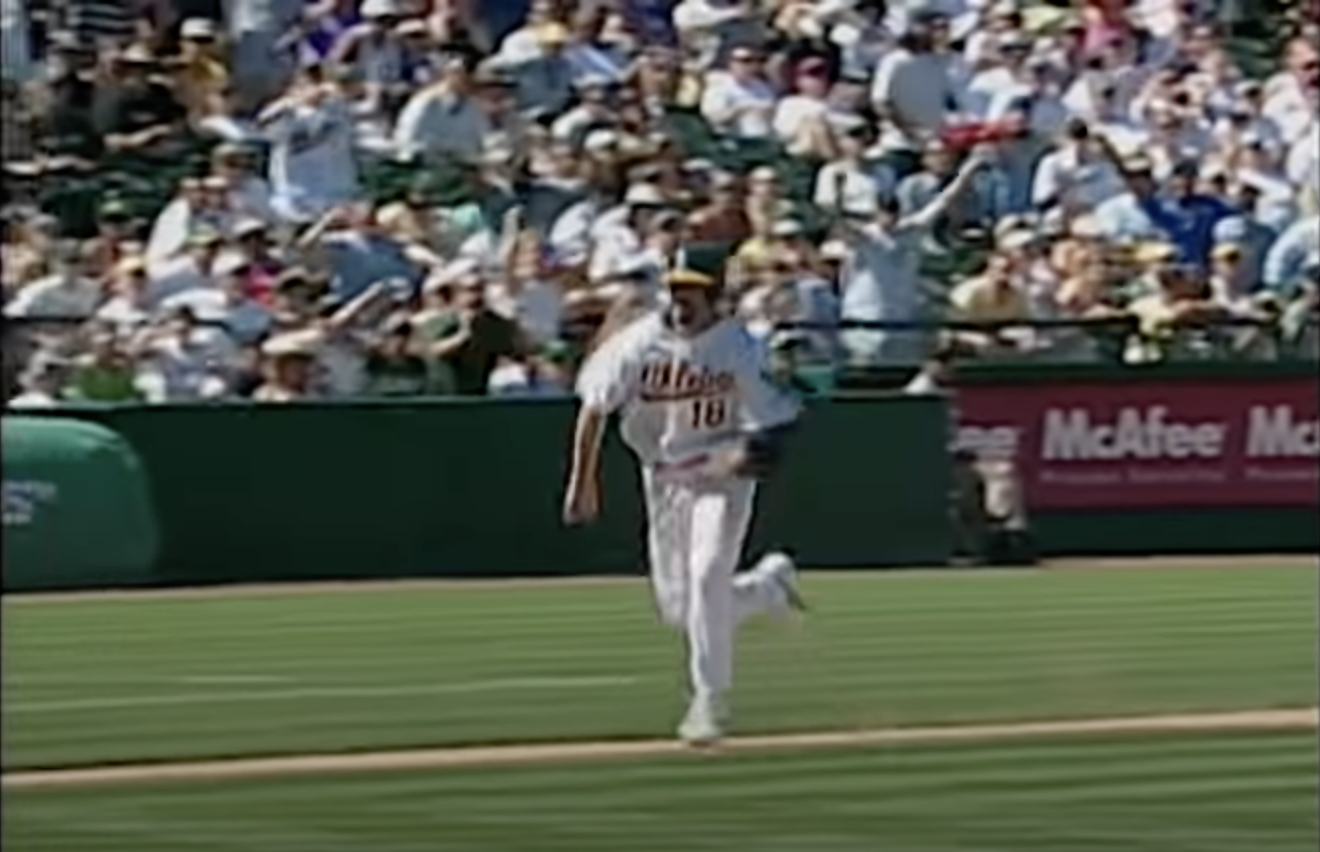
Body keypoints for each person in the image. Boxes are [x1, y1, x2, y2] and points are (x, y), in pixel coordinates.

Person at [561, 267, 806, 746]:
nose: (680, 299)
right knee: (679, 610)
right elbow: (593, 408)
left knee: (708, 570)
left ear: (714, 297)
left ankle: (709, 701)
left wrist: (748, 451)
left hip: (720, 477)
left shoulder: (739, 346)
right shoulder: (639, 342)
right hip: (663, 476)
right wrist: (582, 482)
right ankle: (765, 590)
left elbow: (779, 420)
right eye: (675, 289)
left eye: (692, 290)